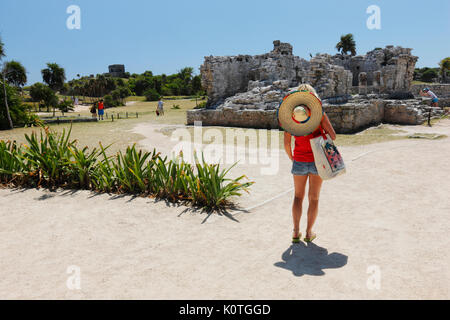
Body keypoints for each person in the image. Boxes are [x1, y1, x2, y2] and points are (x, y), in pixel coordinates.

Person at [283, 84, 337, 243]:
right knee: (314, 198)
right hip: (318, 161)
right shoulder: (319, 114)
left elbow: (287, 144)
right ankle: (308, 233)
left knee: (298, 197)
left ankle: (295, 232)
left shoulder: (290, 117)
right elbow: (332, 136)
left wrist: (293, 158)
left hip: (299, 160)